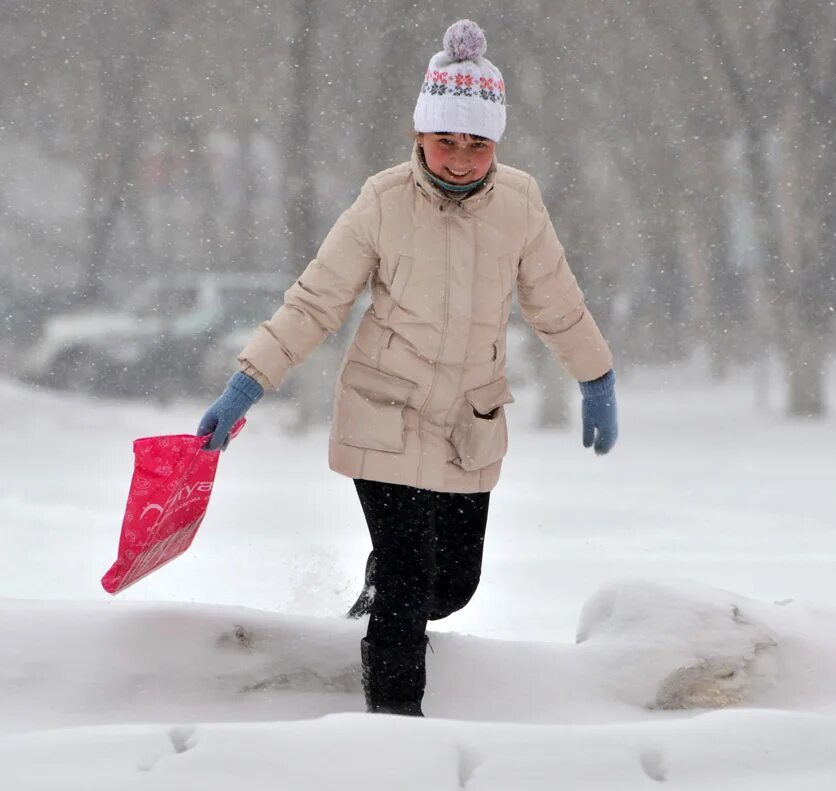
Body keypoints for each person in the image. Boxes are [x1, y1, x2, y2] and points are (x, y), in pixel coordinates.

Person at [197, 19, 618, 717]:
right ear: (418, 134)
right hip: (383, 412)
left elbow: (557, 302)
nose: (459, 158)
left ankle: (367, 613)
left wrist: (595, 377)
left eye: (476, 143)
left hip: (467, 420)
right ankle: (396, 729)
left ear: (496, 143)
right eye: (445, 140)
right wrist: (249, 383)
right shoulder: (382, 202)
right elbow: (316, 301)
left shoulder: (519, 204)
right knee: (407, 574)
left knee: (452, 582)